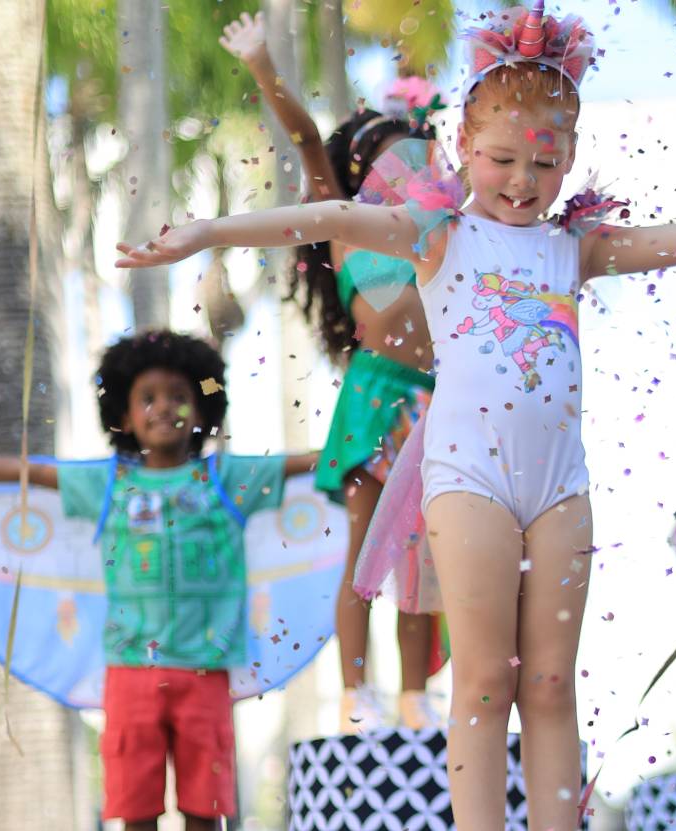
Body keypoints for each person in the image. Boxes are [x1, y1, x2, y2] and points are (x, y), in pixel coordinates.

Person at [116, 4, 676, 825]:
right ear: (464, 143)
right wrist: (205, 232)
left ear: (569, 156)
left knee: (551, 683)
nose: (523, 181)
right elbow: (320, 217)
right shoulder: (436, 235)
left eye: (545, 160)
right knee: (486, 677)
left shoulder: (576, 246)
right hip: (470, 480)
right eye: (501, 159)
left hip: (561, 486)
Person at [0, 331, 318, 831]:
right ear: (124, 415)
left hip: (206, 674)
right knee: (135, 810)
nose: (165, 408)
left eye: (180, 396)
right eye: (148, 398)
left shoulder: (227, 479)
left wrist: (370, 443)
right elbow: (28, 472)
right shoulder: (108, 482)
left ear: (203, 412)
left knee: (208, 811)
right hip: (131, 675)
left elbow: (311, 463)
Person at [220, 11, 442, 732]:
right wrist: (260, 66)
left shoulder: (442, 230)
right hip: (375, 394)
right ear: (360, 174)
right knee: (365, 549)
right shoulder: (346, 220)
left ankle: (415, 696)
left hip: (435, 403)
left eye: (421, 159)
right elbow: (310, 139)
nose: (412, 170)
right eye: (395, 161)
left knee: (423, 556)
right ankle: (356, 691)